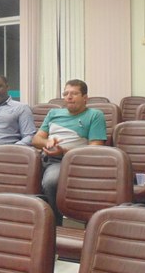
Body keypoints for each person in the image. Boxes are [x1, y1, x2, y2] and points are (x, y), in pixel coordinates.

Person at [32, 79, 107, 219]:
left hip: (68, 161)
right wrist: (48, 142)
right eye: (66, 94)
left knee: (51, 181)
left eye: (74, 93)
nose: (69, 97)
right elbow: (36, 140)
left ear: (85, 98)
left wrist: (64, 151)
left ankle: (53, 225)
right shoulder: (53, 113)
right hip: (43, 157)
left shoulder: (95, 115)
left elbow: (95, 149)